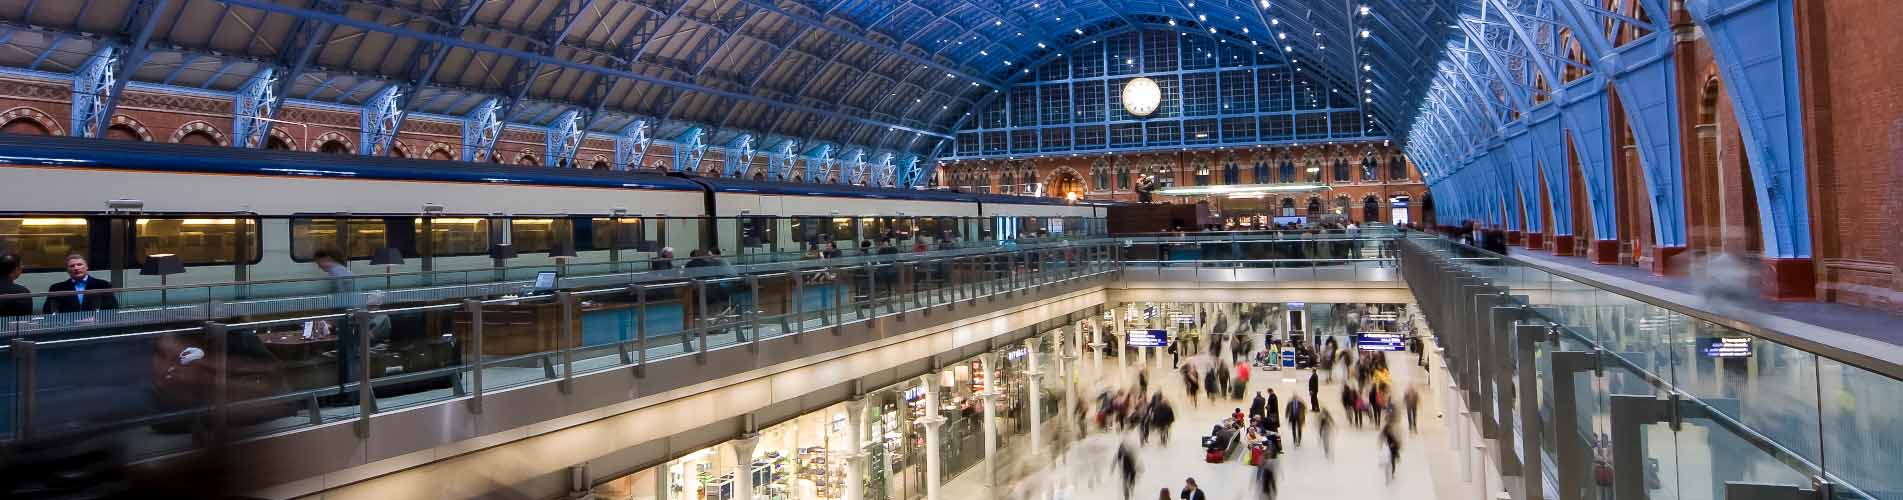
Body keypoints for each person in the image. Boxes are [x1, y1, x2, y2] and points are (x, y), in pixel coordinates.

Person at [43, 254, 118, 314]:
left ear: (86, 267)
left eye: (79, 264)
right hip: (68, 328)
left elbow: (112, 309)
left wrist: (95, 319)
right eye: (72, 266)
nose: (76, 268)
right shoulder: (56, 288)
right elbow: (48, 312)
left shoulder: (103, 285)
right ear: (67, 270)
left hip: (96, 326)